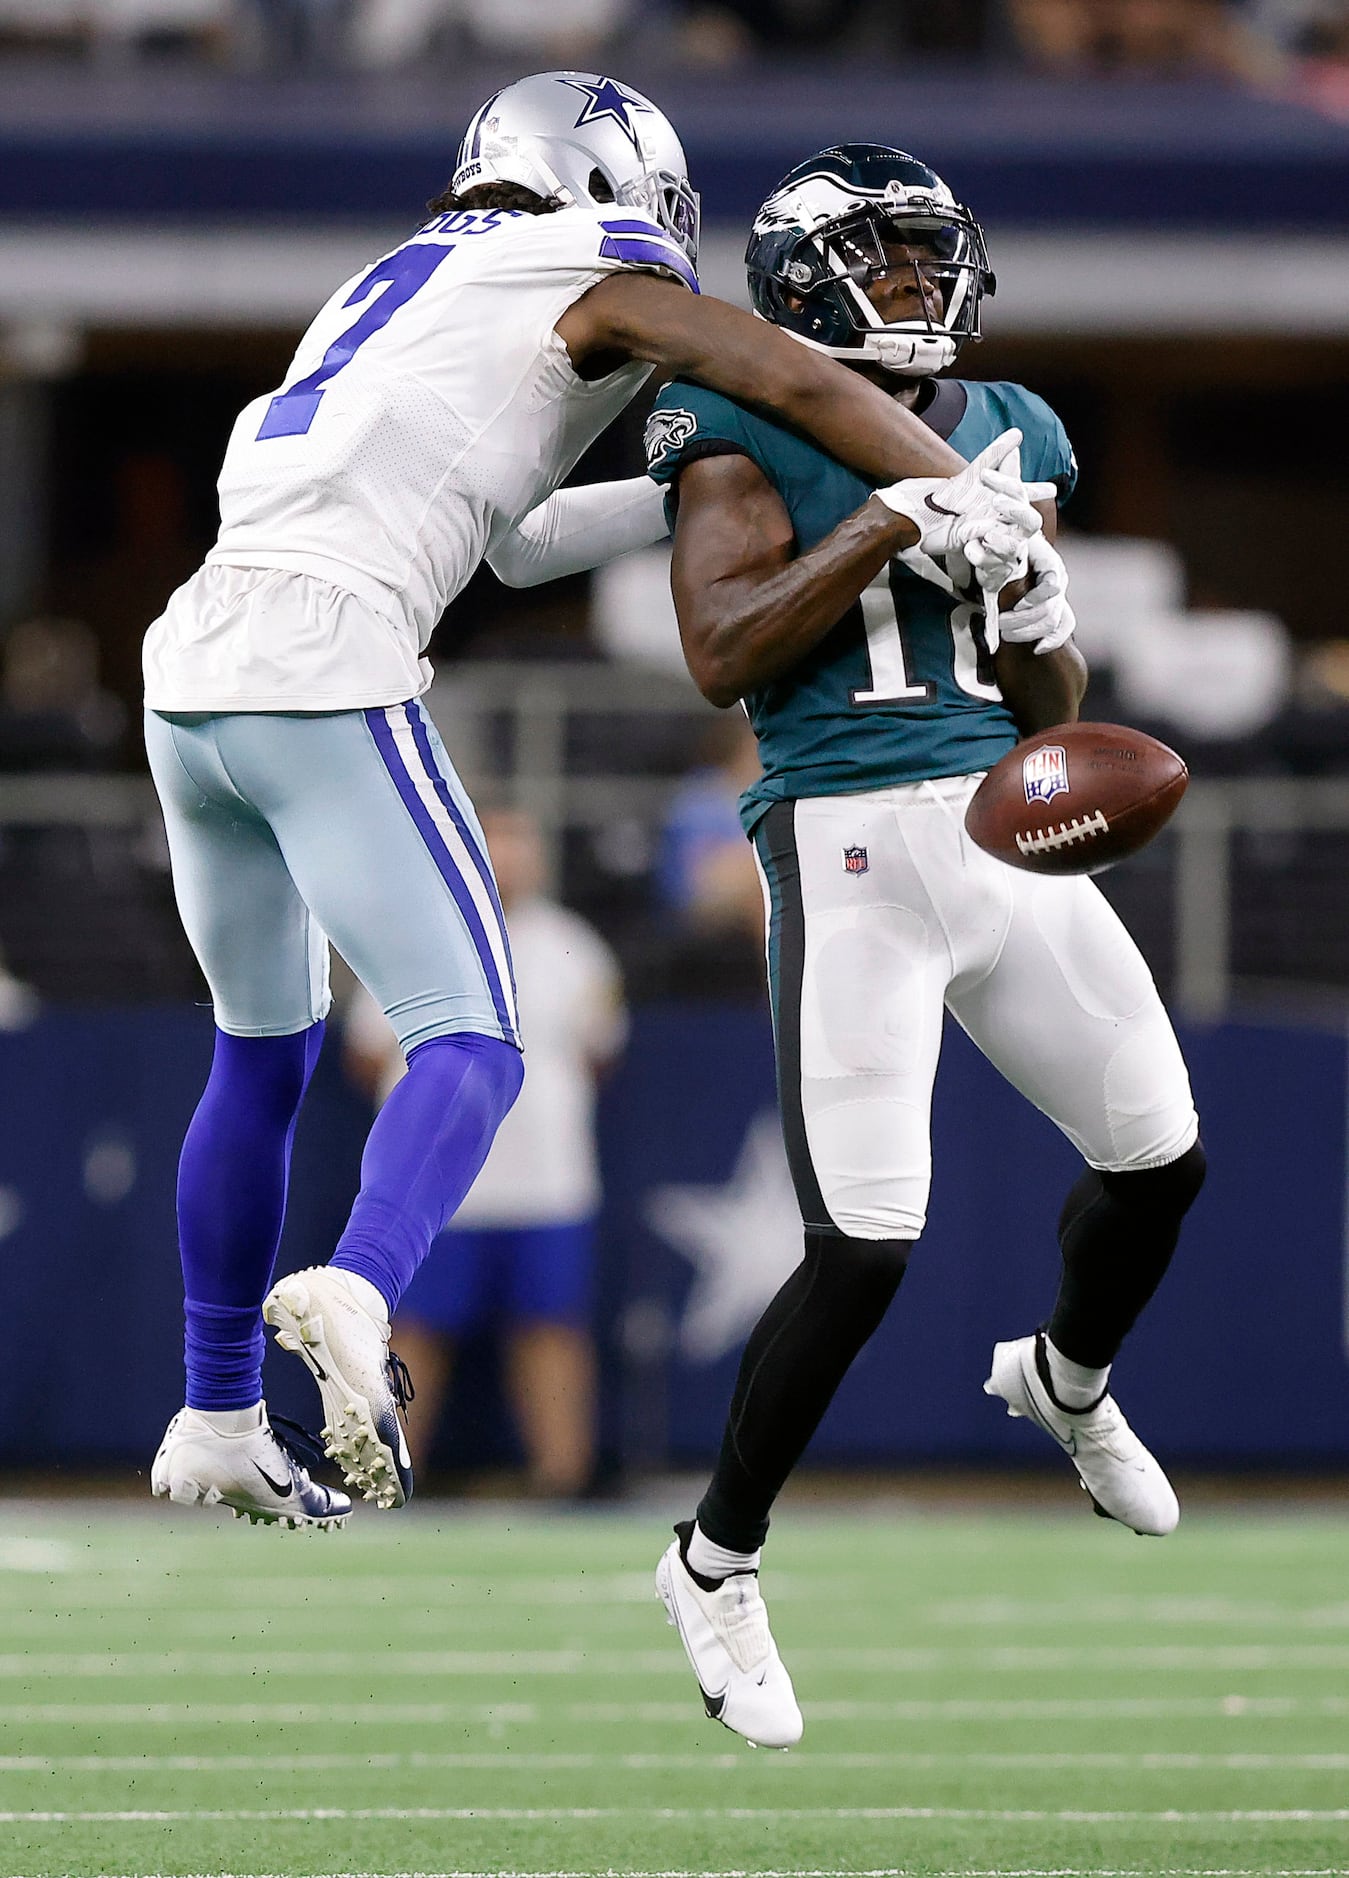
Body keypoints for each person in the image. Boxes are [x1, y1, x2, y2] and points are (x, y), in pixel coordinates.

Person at [143, 71, 1049, 1534]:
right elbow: (792, 374)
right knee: (476, 1038)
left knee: (261, 1055)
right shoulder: (593, 257)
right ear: (606, 182)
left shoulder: (397, 279)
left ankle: (216, 1409)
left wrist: (711, 485)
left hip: (190, 670)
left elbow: (514, 544)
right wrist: (956, 485)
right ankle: (359, 1289)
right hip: (327, 652)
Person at [644, 144, 1206, 1747]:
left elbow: (1052, 713)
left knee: (1159, 1159)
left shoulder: (1019, 424)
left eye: (924, 255)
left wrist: (1034, 610)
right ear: (808, 285)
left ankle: (1067, 1381)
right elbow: (718, 650)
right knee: (866, 1245)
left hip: (1000, 820)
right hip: (848, 844)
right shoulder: (747, 423)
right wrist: (889, 522)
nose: (913, 286)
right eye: (882, 260)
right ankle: (713, 1558)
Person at [345, 806, 625, 1496]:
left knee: (551, 1327)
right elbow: (365, 1052)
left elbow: (600, 1049)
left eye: (517, 844)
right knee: (413, 1330)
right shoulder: (411, 937)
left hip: (546, 1182)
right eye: (492, 843)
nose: (506, 860)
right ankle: (385, 1475)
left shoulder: (572, 944)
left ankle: (563, 1479)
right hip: (436, 1189)